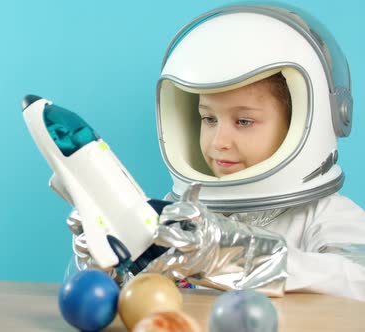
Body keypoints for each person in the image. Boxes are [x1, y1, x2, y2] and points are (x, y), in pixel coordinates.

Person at [67, 4, 365, 301]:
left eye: (244, 121)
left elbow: (357, 279)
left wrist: (230, 254)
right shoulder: (180, 217)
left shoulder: (327, 216)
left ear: (302, 126)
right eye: (209, 119)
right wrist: (108, 264)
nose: (219, 141)